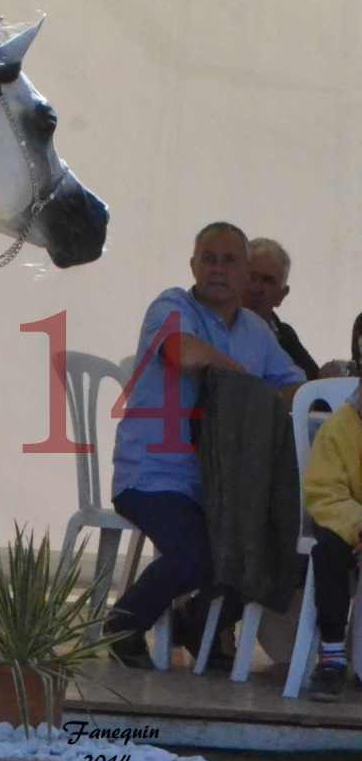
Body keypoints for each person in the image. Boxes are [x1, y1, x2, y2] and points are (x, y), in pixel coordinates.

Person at [103, 222, 306, 666]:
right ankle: (123, 623)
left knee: (268, 544)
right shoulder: (171, 305)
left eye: (229, 260)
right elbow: (184, 354)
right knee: (201, 553)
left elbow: (296, 387)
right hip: (152, 476)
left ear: (245, 270)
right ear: (192, 265)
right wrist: (251, 388)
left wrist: (264, 392)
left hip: (218, 487)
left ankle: (193, 624)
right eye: (208, 259)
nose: (217, 269)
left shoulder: (256, 330)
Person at [301, 382, 362, 701]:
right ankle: (332, 656)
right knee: (328, 551)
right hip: (343, 518)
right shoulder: (339, 427)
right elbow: (326, 495)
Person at [242, 237, 319, 380]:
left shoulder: (285, 334)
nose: (256, 288)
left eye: (268, 281)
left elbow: (310, 382)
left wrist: (325, 376)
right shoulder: (214, 325)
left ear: (281, 295)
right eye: (251, 277)